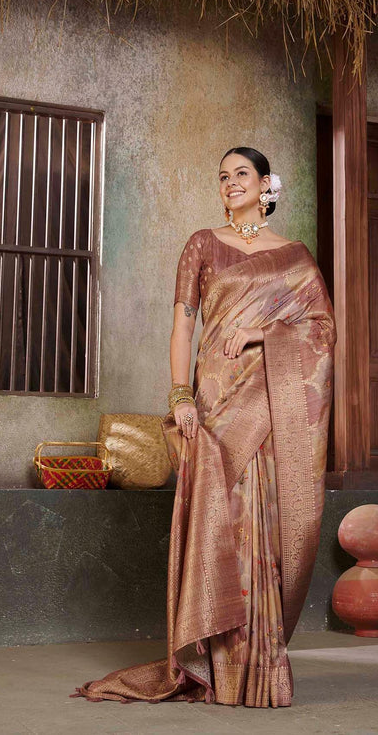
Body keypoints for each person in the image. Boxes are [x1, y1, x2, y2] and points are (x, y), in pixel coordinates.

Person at [71, 147, 337, 708]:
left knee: (259, 515)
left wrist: (265, 336)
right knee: (218, 516)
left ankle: (256, 662)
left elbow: (320, 331)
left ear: (267, 184)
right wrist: (180, 394)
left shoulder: (293, 257)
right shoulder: (201, 244)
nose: (230, 183)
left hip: (267, 397)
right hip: (214, 398)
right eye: (223, 176)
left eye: (242, 174)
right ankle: (210, 665)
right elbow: (181, 330)